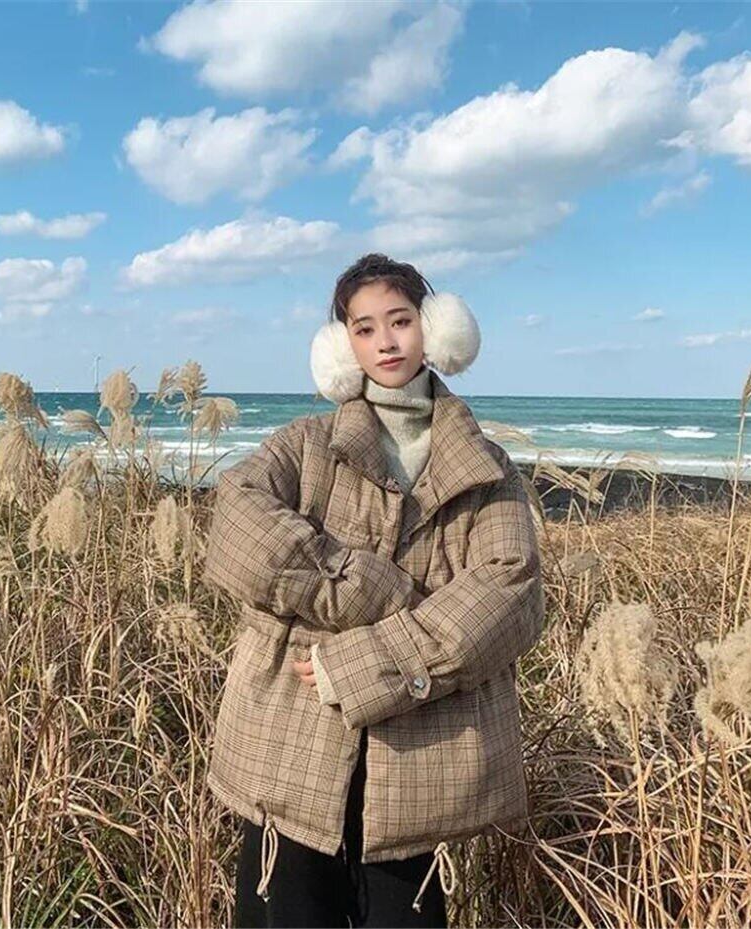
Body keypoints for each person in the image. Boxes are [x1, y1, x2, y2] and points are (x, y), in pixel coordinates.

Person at [201, 253, 546, 927]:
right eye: (364, 328)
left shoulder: (486, 468)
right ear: (342, 346)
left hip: (416, 764)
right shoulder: (307, 444)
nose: (385, 341)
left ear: (435, 328)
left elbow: (510, 593)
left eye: (400, 321)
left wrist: (365, 662)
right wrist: (378, 592)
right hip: (289, 748)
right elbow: (237, 525)